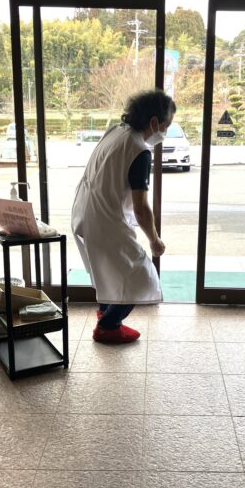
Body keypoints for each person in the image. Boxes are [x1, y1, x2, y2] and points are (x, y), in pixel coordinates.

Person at [71, 89, 176, 344]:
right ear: (154, 122)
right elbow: (141, 208)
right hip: (106, 220)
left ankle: (105, 312)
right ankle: (108, 326)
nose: (165, 132)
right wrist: (154, 240)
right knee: (141, 277)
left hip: (85, 212)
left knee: (109, 270)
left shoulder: (116, 132)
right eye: (166, 126)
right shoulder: (140, 150)